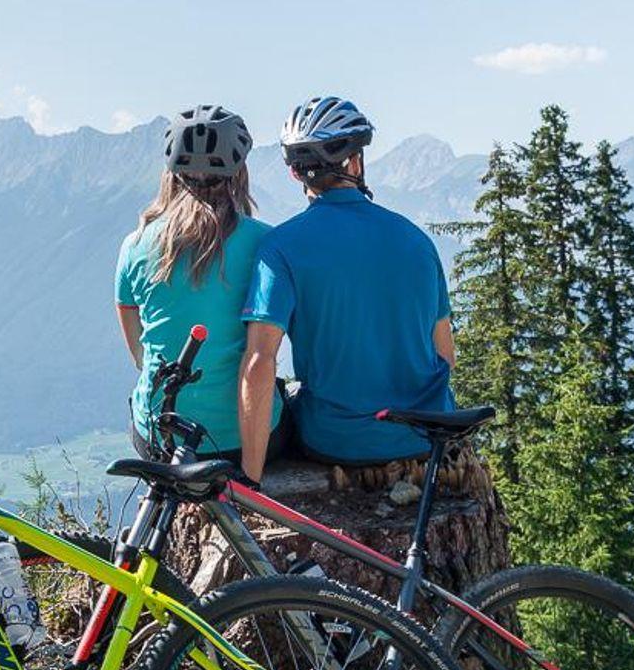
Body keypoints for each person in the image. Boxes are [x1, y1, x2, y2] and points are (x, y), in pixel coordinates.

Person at [237, 95, 455, 483]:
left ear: (295, 174)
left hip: (335, 440)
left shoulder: (280, 247)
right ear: (355, 162)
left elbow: (259, 361)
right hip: (426, 434)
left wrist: (250, 481)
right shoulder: (417, 241)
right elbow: (445, 354)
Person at [115, 105, 284, 462]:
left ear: (171, 174)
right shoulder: (266, 245)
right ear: (239, 174)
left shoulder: (135, 244)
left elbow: (139, 354)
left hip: (159, 436)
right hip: (241, 440)